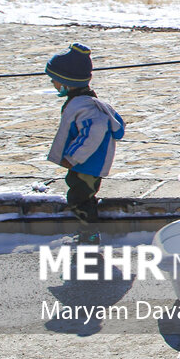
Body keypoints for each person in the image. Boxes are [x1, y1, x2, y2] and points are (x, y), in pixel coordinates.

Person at [46, 43, 125, 247]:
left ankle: (89, 235)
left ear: (67, 82)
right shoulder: (86, 102)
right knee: (82, 194)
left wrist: (72, 157)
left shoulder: (85, 107)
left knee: (78, 199)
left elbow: (92, 135)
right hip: (86, 165)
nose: (53, 83)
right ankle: (88, 231)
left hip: (86, 164)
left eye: (54, 80)